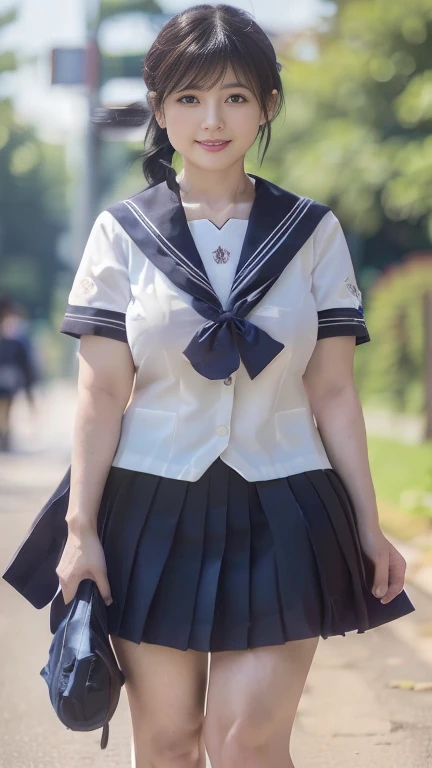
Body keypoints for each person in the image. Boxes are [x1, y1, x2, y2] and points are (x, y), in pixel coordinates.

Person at [2, 5, 415, 767]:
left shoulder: (312, 232)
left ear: (268, 105)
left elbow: (332, 393)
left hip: (286, 503)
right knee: (168, 746)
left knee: (246, 743)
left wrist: (367, 521)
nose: (212, 118)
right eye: (188, 98)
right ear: (159, 109)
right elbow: (100, 396)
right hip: (151, 508)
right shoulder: (121, 233)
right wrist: (81, 530)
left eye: (234, 96)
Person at [0, 297, 38, 451]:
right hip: (8, 380)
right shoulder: (16, 341)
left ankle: (5, 437)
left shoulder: (17, 342)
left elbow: (25, 366)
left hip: (8, 382)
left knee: (6, 410)